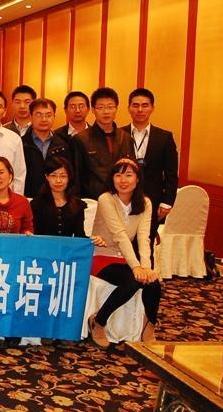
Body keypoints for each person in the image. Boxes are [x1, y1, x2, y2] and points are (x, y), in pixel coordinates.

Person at [88, 158, 159, 347]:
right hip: (101, 256)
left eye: (128, 175)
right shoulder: (106, 199)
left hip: (124, 258)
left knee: (153, 283)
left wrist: (146, 267)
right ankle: (99, 322)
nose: (123, 180)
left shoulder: (145, 203)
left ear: (137, 179)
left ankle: (149, 325)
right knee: (133, 280)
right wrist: (136, 267)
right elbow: (119, 235)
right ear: (112, 179)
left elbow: (144, 237)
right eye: (118, 175)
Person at [122, 88, 178, 241]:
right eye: (135, 105)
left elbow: (171, 173)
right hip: (123, 199)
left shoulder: (165, 137)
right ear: (128, 108)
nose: (140, 110)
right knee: (122, 242)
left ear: (152, 108)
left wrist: (167, 202)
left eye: (145, 105)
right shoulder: (120, 134)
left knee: (146, 242)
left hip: (153, 201)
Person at [70, 87, 134, 199]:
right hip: (92, 200)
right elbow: (76, 178)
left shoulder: (126, 138)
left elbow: (132, 171)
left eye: (110, 107)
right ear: (93, 110)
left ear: (116, 108)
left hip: (122, 198)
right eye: (101, 107)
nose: (106, 112)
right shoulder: (80, 139)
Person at [32, 156, 104, 243]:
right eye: (53, 176)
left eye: (63, 176)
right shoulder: (36, 204)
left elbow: (79, 236)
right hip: (43, 248)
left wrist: (94, 239)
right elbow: (34, 235)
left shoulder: (78, 205)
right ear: (46, 177)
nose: (58, 180)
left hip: (67, 249)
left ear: (69, 177)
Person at [22, 98, 69, 197]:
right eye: (39, 115)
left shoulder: (63, 145)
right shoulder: (21, 144)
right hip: (28, 198)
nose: (44, 119)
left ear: (54, 117)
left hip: (56, 199)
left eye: (48, 115)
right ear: (30, 117)